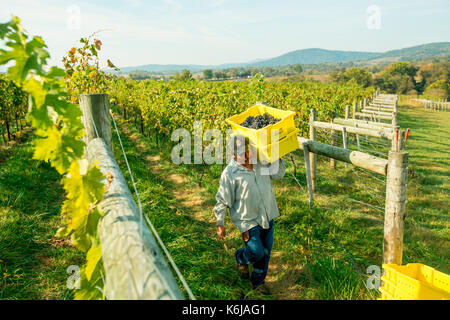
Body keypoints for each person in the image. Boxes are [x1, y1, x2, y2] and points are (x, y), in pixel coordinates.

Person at [213, 134, 285, 294]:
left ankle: (258, 283)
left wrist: (276, 155)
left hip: (267, 214)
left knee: (265, 252)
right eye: (243, 152)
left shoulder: (260, 163)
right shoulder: (231, 172)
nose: (248, 154)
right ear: (233, 154)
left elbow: (279, 174)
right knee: (256, 251)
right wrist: (220, 221)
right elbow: (222, 198)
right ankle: (240, 257)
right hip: (247, 220)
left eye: (249, 149)